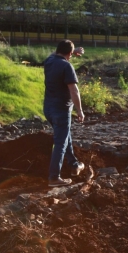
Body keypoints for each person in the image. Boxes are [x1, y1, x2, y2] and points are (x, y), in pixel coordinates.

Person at [43, 40, 86, 186]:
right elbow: (74, 90)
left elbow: (56, 53)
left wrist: (71, 50)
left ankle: (74, 165)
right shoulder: (67, 66)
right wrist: (79, 110)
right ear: (69, 54)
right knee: (60, 143)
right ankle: (54, 178)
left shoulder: (49, 61)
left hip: (48, 108)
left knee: (65, 136)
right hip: (61, 110)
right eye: (71, 54)